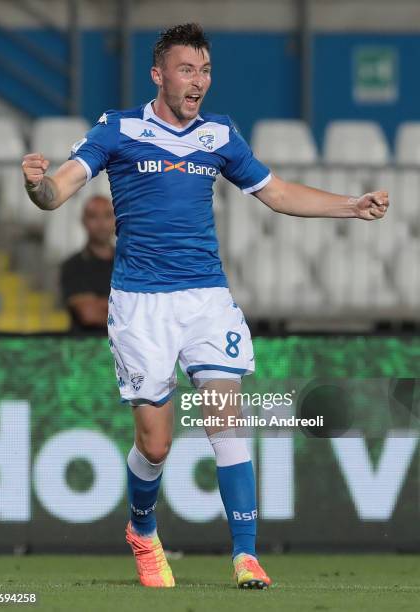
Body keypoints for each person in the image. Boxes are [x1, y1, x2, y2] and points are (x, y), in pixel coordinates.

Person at [21, 23, 389, 590]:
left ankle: (246, 554)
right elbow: (60, 189)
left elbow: (279, 193)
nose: (198, 82)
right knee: (156, 443)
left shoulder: (219, 134)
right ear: (159, 74)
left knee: (226, 419)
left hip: (206, 298)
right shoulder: (118, 128)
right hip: (141, 305)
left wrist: (351, 205)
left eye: (206, 70)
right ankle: (143, 530)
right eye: (187, 70)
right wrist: (39, 186)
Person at [60, 194, 114, 333]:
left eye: (107, 215)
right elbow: (89, 314)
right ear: (84, 221)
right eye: (93, 216)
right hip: (86, 351)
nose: (101, 223)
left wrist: (102, 304)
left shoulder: (129, 263)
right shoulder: (73, 266)